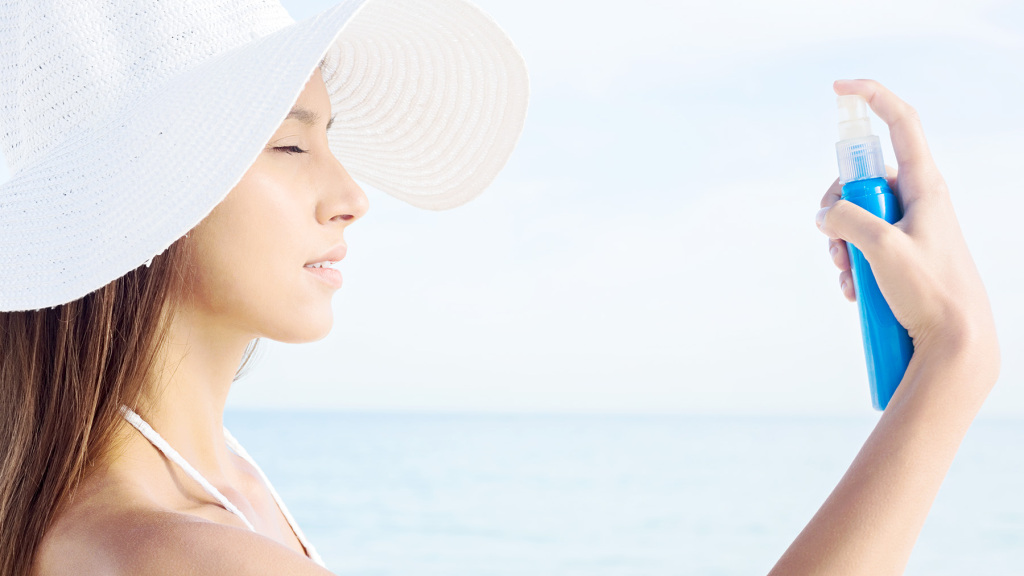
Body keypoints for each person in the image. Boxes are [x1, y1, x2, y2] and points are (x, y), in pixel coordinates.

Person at [0, 2, 998, 576]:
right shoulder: (175, 552)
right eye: (290, 140)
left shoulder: (212, 483)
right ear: (143, 199)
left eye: (333, 141)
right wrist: (949, 369)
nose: (351, 196)